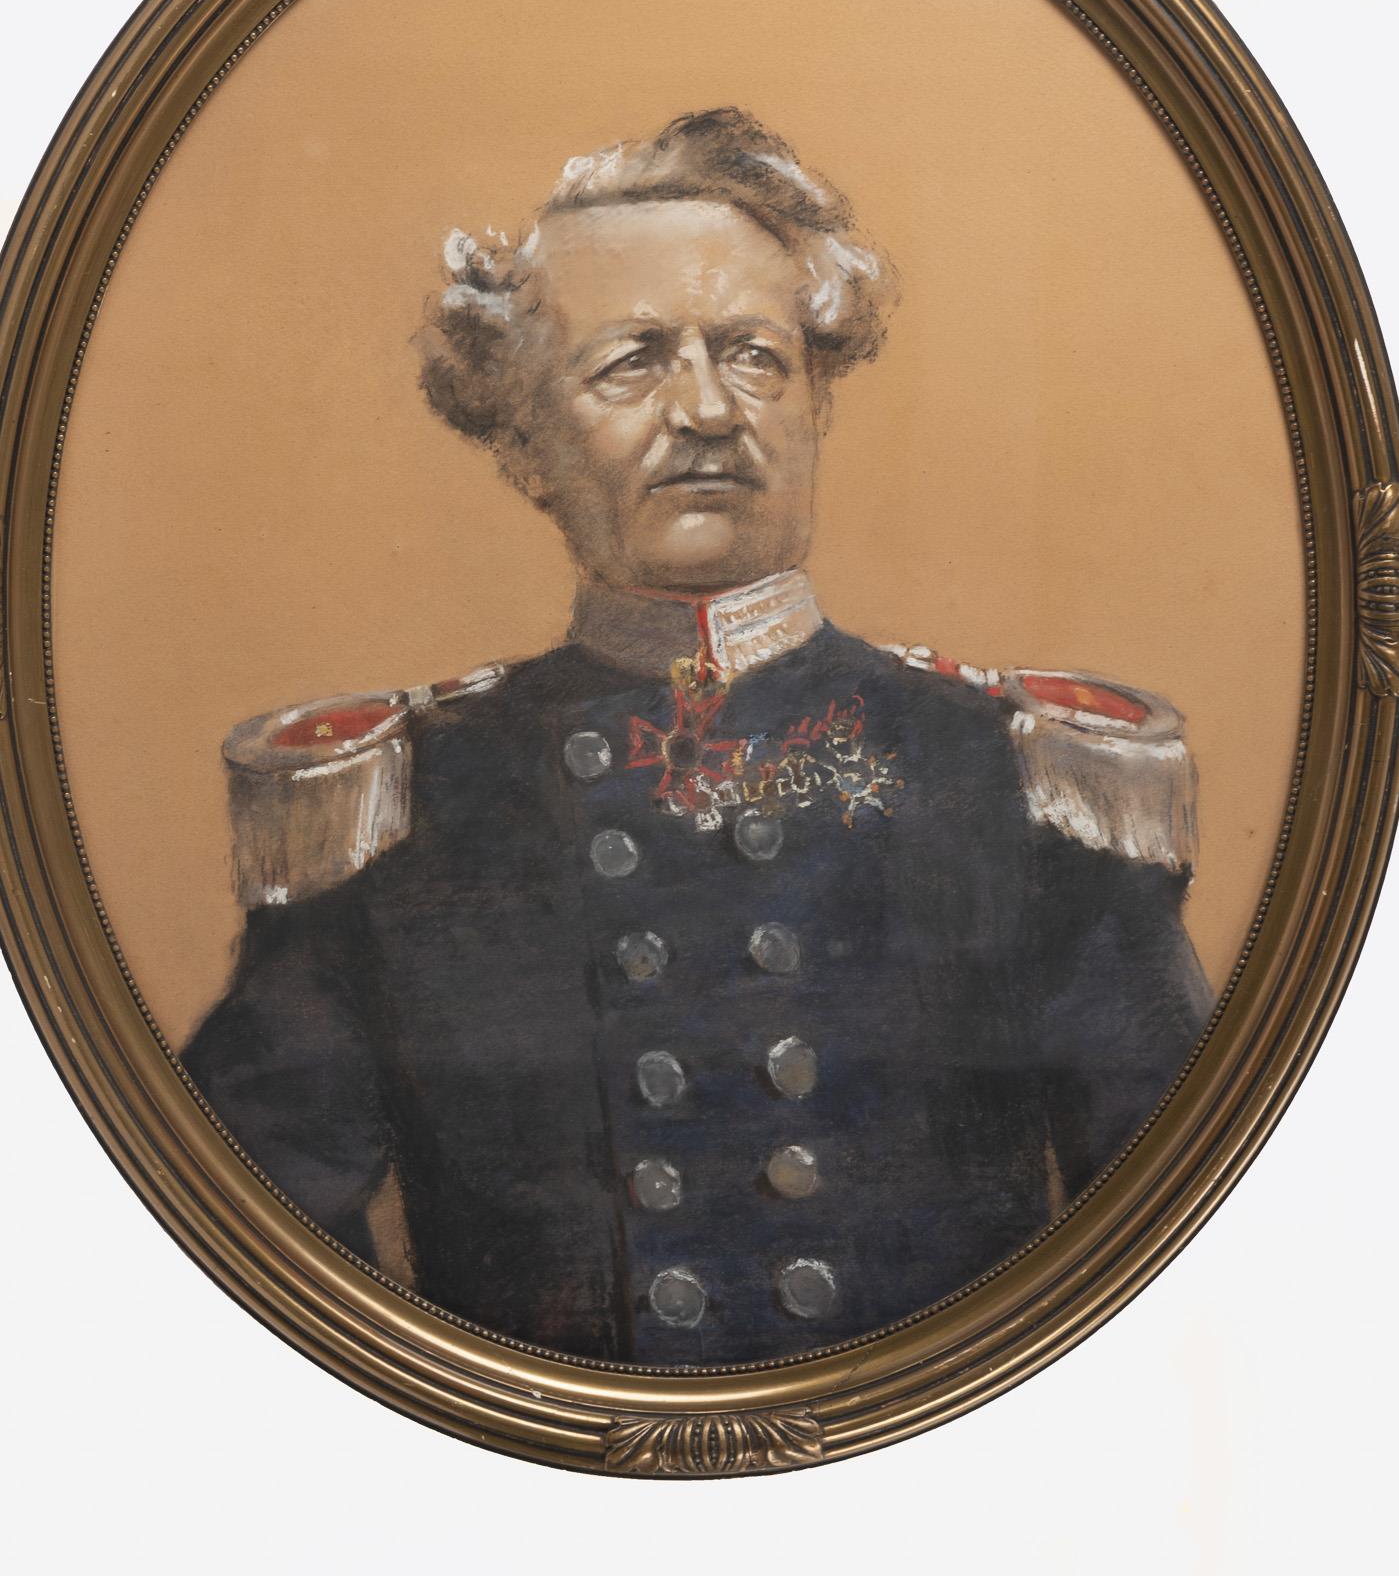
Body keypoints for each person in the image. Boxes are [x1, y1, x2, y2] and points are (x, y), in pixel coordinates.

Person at [185, 107, 1213, 1366]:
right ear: (523, 443)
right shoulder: (409, 804)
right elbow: (241, 1233)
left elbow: (1185, 1245)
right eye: (631, 363)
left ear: (816, 404)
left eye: (754, 357)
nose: (709, 410)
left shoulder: (998, 774)